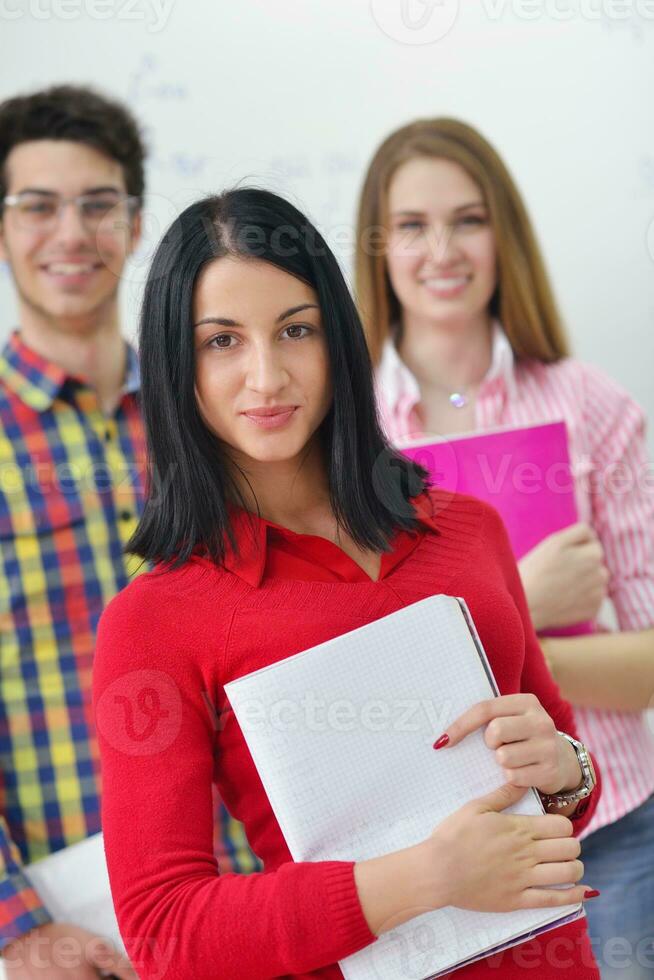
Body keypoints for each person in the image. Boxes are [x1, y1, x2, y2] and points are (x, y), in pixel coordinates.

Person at [93, 187, 602, 980]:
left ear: (338, 339)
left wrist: (570, 772)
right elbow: (163, 933)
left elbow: (564, 801)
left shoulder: (469, 530)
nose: (267, 376)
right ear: (174, 366)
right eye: (222, 341)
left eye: (295, 330)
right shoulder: (152, 622)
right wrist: (425, 878)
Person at [355, 116, 654, 978]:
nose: (441, 249)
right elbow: (378, 691)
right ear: (379, 248)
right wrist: (524, 600)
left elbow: (647, 666)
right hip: (438, 852)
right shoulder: (347, 436)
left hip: (612, 833)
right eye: (412, 225)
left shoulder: (590, 405)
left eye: (469, 219)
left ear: (504, 236)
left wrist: (480, 644)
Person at [0, 85, 257, 980]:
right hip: (75, 921)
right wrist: (15, 925)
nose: (71, 233)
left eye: (98, 204)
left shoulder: (224, 412)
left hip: (256, 885)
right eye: (37, 205)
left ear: (137, 222)